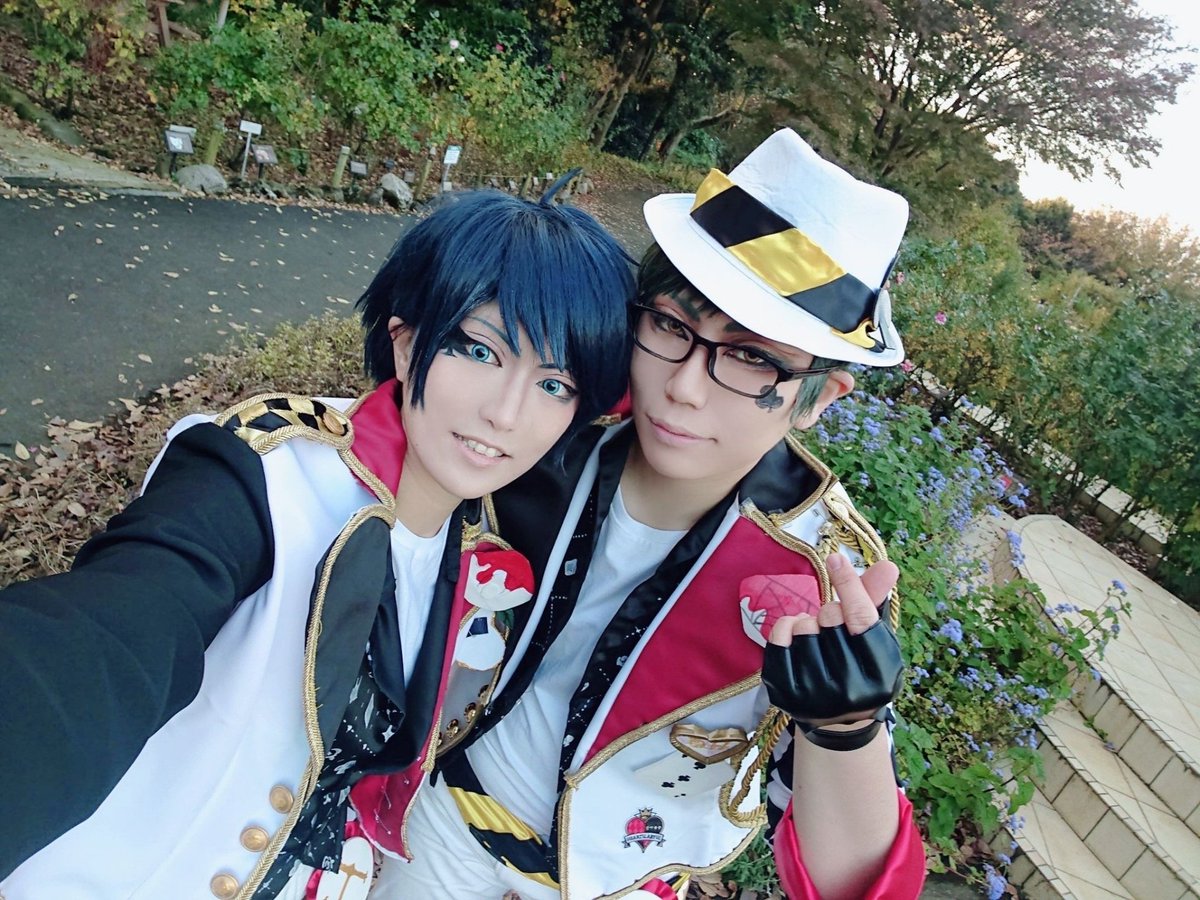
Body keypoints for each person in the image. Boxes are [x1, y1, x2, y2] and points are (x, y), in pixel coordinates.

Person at [0, 183, 634, 899]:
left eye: (554, 385)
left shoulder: (479, 553)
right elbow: (116, 630)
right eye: (479, 349)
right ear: (405, 342)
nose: (507, 413)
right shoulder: (264, 474)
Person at [361, 129, 927, 899]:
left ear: (818, 397)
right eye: (670, 325)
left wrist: (845, 728)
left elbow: (850, 883)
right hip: (443, 824)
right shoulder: (545, 435)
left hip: (623, 881)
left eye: (751, 356)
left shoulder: (822, 573)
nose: (685, 388)